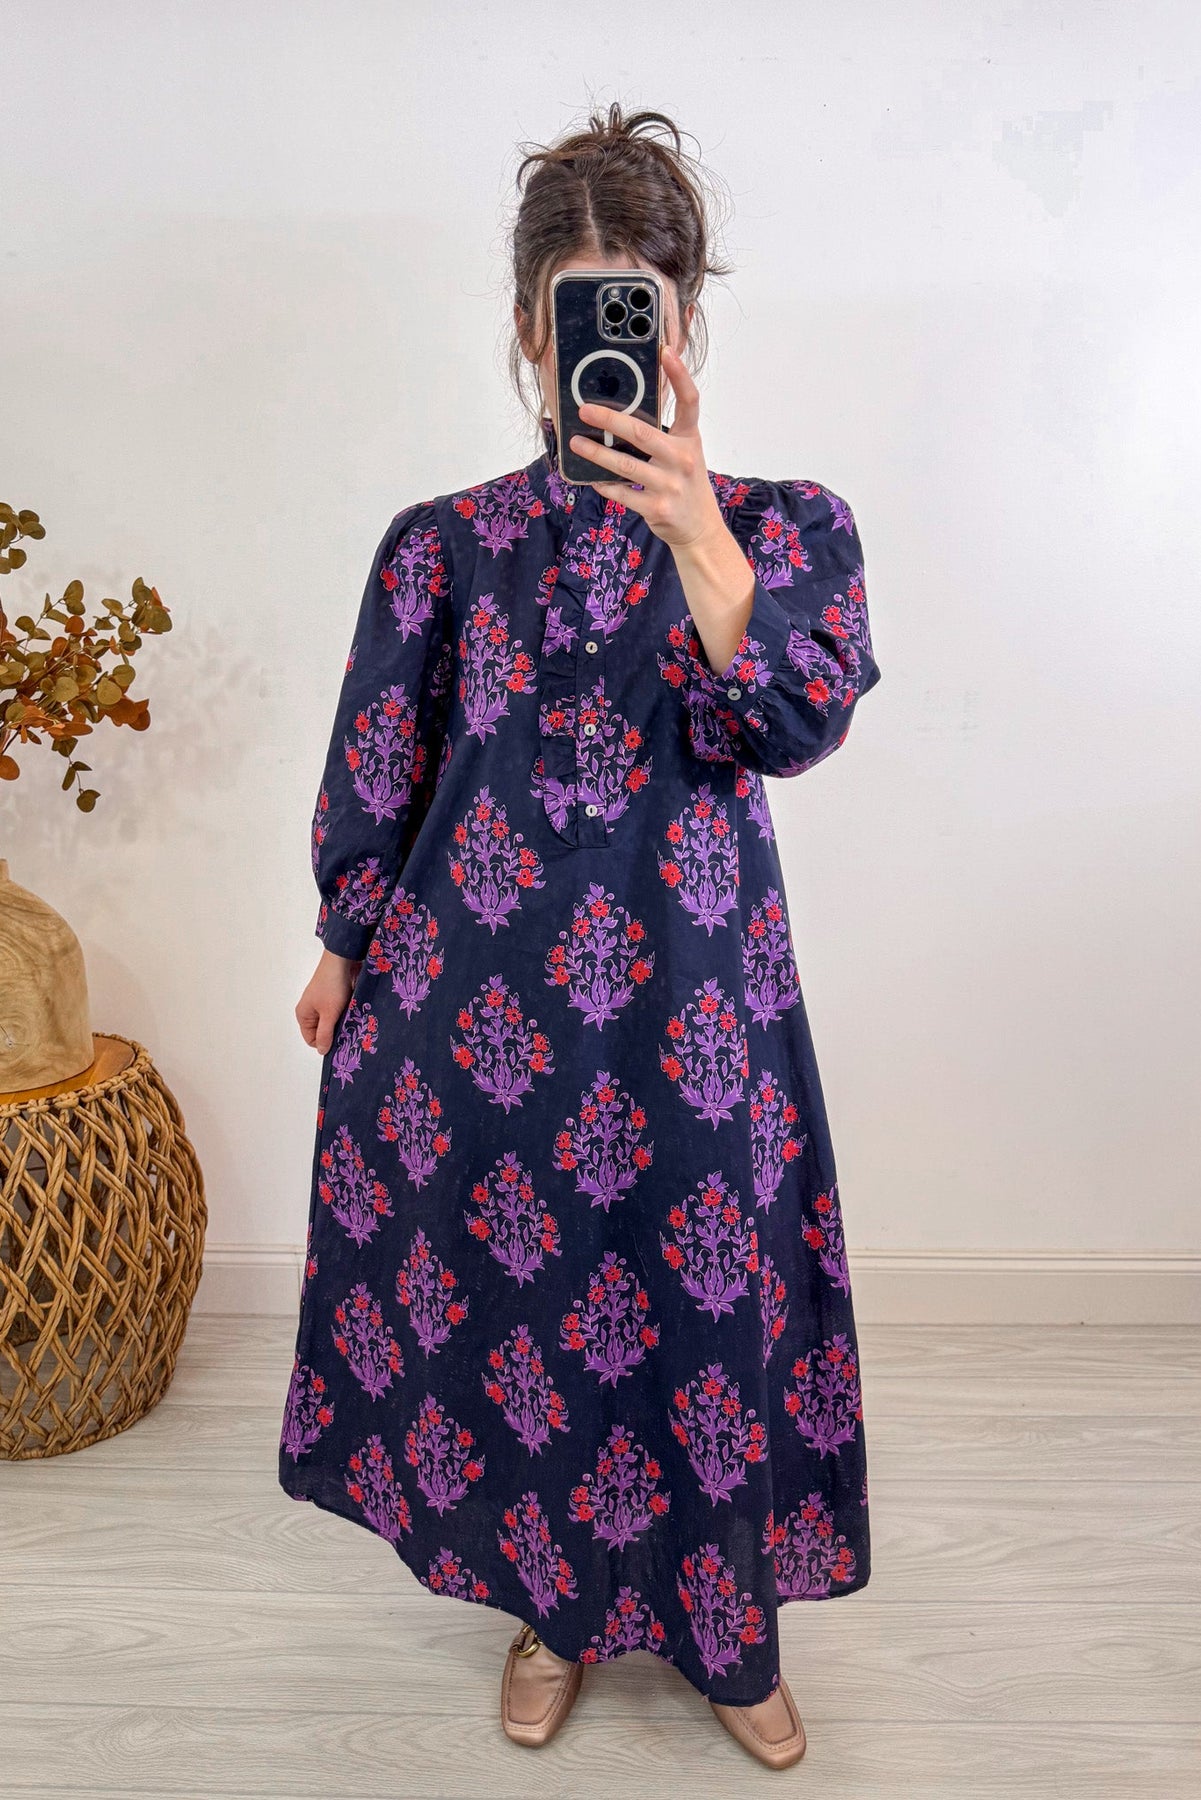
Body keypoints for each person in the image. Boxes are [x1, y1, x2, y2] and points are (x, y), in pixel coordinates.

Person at [280, 101, 881, 1771]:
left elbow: (795, 722)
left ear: (682, 327)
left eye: (639, 308)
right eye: (576, 311)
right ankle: (554, 1608)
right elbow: (383, 766)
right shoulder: (442, 546)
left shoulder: (789, 530)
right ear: (529, 331)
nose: (606, 345)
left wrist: (700, 539)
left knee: (706, 1314)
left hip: (695, 1006)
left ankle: (725, 1632)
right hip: (474, 1008)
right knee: (521, 1314)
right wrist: (342, 940)